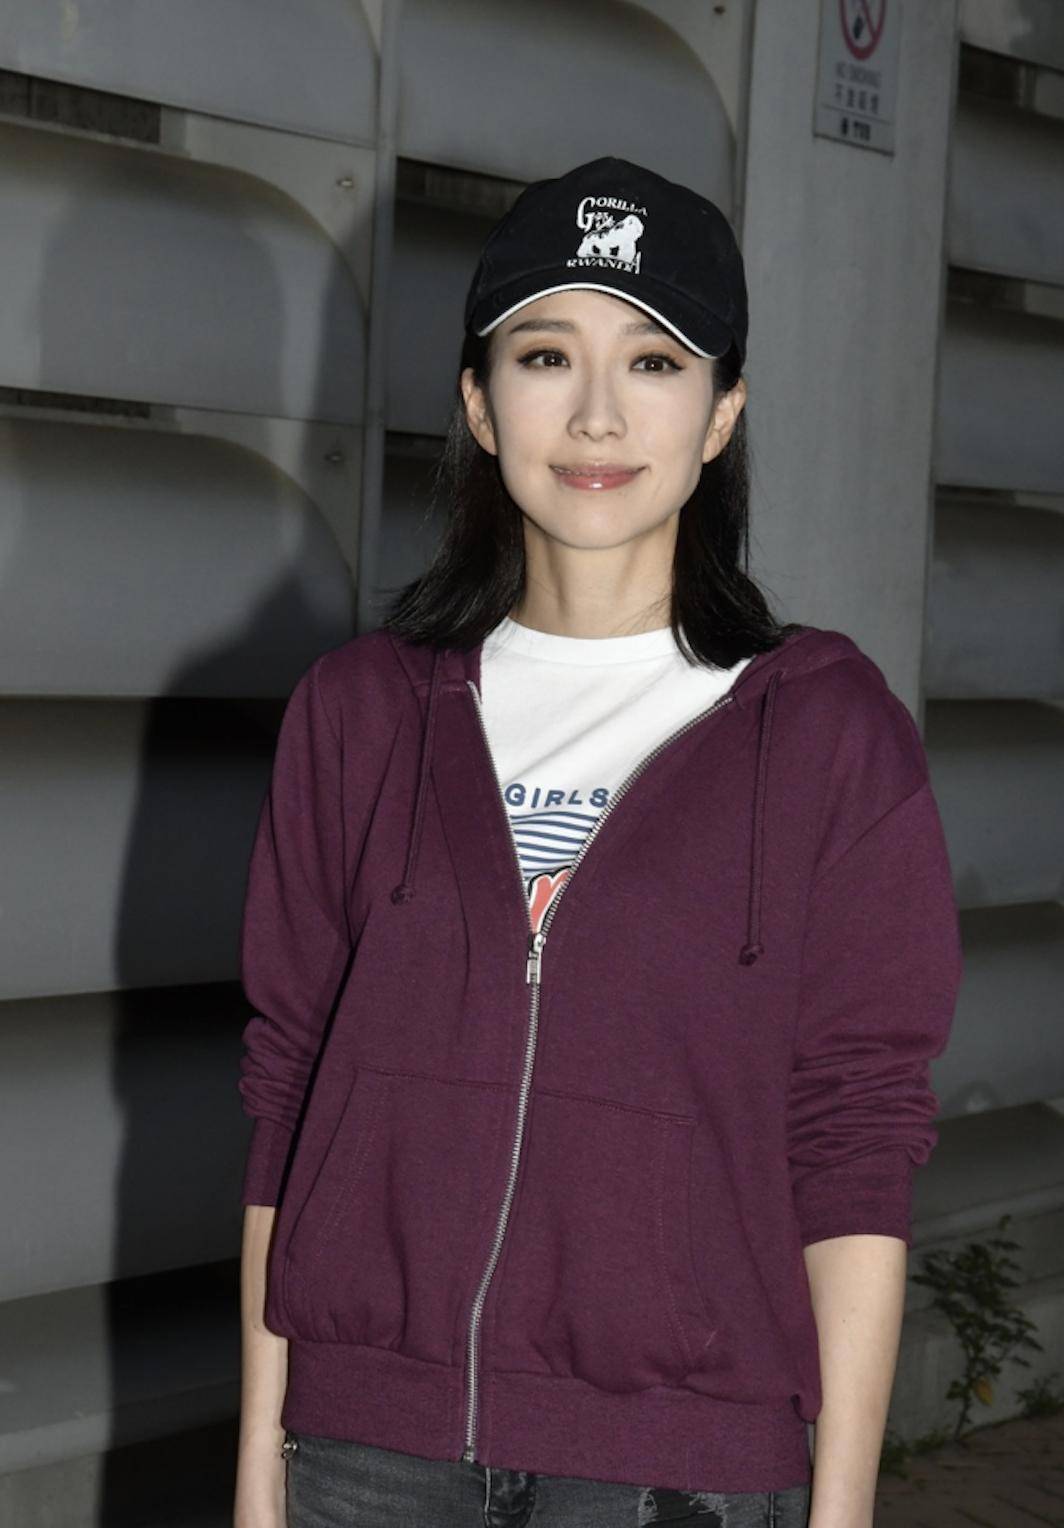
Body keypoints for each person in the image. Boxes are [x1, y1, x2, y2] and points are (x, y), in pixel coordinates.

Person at [232, 157, 964, 1528]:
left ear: (722, 411)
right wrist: (258, 1470)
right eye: (546, 354)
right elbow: (290, 1091)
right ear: (478, 400)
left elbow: (856, 1132)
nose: (597, 413)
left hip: (673, 1467)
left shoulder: (826, 733)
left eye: (655, 362)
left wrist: (843, 1506)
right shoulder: (360, 713)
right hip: (365, 1452)